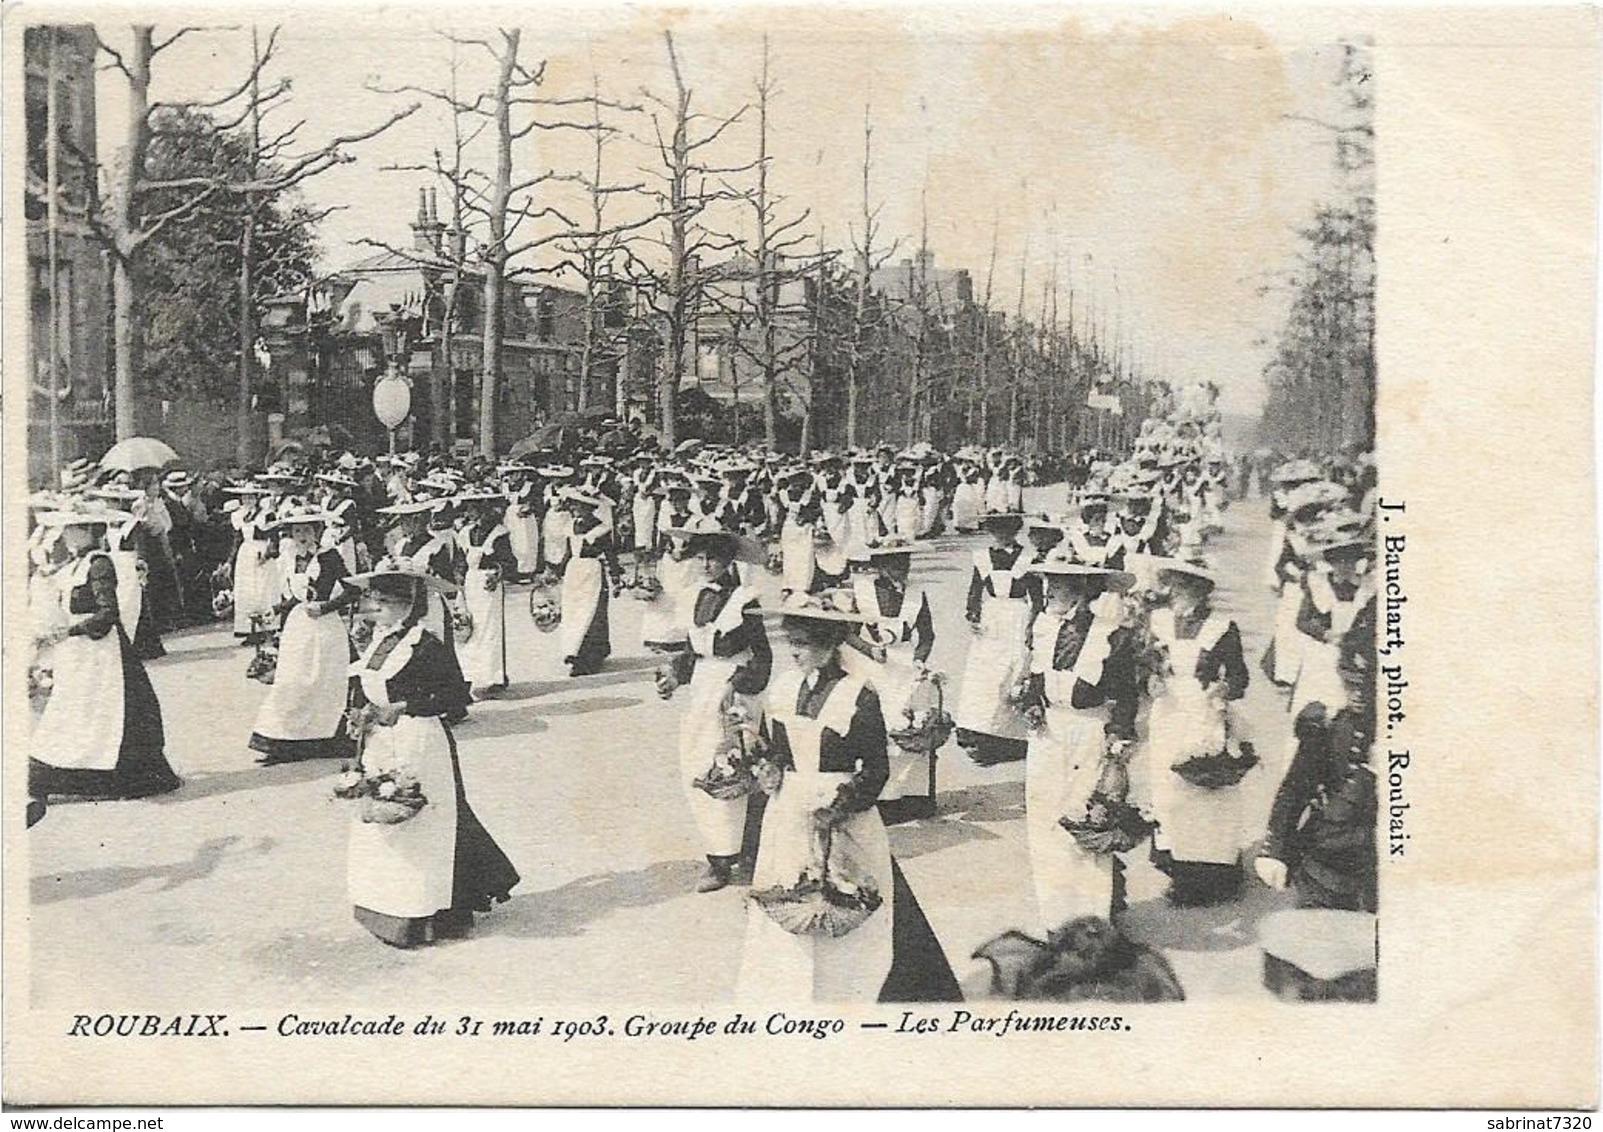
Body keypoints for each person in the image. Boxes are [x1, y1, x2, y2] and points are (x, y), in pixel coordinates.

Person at [736, 593, 962, 1003]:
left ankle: (858, 992)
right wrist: (767, 767)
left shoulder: (858, 696)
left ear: (828, 643)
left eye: (802, 643)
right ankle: (787, 994)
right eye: (791, 641)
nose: (794, 651)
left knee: (850, 900)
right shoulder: (785, 689)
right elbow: (776, 750)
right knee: (790, 893)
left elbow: (876, 769)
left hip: (843, 816)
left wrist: (838, 809)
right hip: (788, 812)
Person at [343, 562, 520, 948]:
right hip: (380, 742)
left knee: (424, 823)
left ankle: (428, 915)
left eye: (384, 602)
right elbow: (366, 686)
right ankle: (385, 907)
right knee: (385, 822)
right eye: (373, 601)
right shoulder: (377, 640)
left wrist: (403, 706)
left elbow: (455, 696)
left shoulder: (425, 645)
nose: (376, 609)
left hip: (419, 742)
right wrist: (359, 714)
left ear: (408, 605)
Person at [1019, 555, 1141, 931]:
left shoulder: (1112, 635)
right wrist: (1032, 705)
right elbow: (1036, 683)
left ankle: (1092, 914)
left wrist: (1119, 739)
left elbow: (1126, 695)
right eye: (1049, 583)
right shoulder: (1042, 627)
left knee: (1087, 819)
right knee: (1045, 821)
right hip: (1048, 736)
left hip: (1089, 734)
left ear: (1082, 591)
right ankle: (1056, 914)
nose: (1051, 590)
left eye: (1060, 583)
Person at [28, 506, 181, 801]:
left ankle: (121, 777)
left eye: (74, 529)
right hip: (77, 653)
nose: (68, 535)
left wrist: (71, 631)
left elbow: (108, 613)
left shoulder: (98, 564)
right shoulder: (73, 565)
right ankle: (56, 773)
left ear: (88, 531)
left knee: (107, 713)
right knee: (74, 711)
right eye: (67, 529)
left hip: (102, 651)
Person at [656, 520, 772, 893]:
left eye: (714, 558)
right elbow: (695, 651)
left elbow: (763, 658)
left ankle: (734, 857)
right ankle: (718, 851)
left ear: (729, 561)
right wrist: (675, 677)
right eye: (702, 557)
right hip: (703, 692)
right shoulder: (694, 597)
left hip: (735, 695)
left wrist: (736, 687)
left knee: (736, 769)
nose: (706, 564)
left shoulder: (744, 600)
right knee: (702, 771)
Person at [1143, 558, 1252, 906]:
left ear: (1201, 592)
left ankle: (1214, 873)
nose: (1176, 594)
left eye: (1184, 587)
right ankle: (1179, 871)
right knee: (1169, 793)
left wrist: (1223, 690)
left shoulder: (1221, 628)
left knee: (1205, 793)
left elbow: (1239, 677)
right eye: (1174, 585)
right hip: (1168, 715)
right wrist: (1151, 681)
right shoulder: (1158, 623)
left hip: (1204, 715)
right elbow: (1144, 666)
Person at [249, 507, 362, 764]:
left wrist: (325, 606)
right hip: (298, 628)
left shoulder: (329, 557)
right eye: (297, 530)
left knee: (325, 682)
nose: (302, 535)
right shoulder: (288, 559)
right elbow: (294, 596)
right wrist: (275, 609)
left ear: (317, 532)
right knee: (292, 683)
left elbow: (353, 590)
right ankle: (283, 741)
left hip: (325, 629)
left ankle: (327, 739)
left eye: (308, 530)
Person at [844, 543, 938, 823]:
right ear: (881, 567)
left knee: (910, 725)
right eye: (896, 566)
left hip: (905, 665)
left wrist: (919, 659)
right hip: (873, 665)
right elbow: (847, 632)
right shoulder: (861, 592)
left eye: (906, 565)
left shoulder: (915, 593)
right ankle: (883, 797)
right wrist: (868, 649)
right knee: (879, 727)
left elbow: (928, 635)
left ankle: (913, 796)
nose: (902, 571)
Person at [955, 512, 1038, 766]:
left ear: (1016, 529)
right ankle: (981, 733)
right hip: (991, 620)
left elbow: (1037, 597)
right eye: (997, 529)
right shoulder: (982, 557)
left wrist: (1032, 626)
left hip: (1017, 617)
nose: (1003, 534)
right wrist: (973, 615)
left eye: (1008, 529)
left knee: (1011, 675)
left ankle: (1009, 740)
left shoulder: (1027, 558)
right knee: (985, 679)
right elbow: (975, 590)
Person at [553, 489, 620, 677]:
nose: (574, 508)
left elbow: (610, 553)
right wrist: (557, 571)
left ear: (589, 508)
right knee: (574, 613)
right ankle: (575, 651)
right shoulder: (572, 525)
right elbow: (568, 552)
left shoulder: (601, 528)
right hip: (574, 572)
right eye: (574, 504)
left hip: (592, 573)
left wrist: (615, 577)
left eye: (578, 505)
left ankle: (591, 657)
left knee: (592, 613)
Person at [455, 491, 515, 698]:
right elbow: (461, 560)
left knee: (489, 630)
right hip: (471, 583)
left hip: (488, 585)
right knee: (470, 628)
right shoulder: (465, 532)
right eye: (468, 508)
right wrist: (460, 579)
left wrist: (498, 573)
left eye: (474, 508)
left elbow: (509, 562)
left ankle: (492, 677)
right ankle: (472, 674)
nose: (470, 512)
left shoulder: (499, 533)